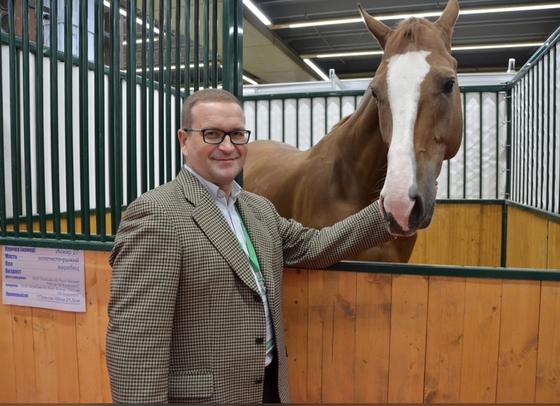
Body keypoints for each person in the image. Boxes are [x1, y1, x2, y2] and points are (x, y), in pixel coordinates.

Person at [105, 88, 397, 403]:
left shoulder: (258, 209)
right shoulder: (156, 214)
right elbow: (135, 346)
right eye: (212, 134)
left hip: (268, 386)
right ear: (184, 140)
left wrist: (385, 213)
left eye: (237, 134)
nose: (228, 146)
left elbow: (314, 245)